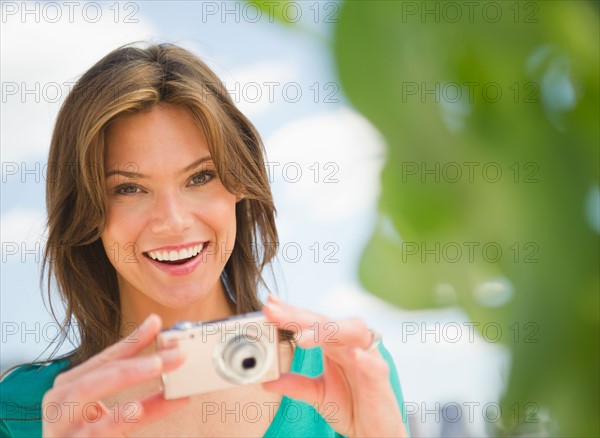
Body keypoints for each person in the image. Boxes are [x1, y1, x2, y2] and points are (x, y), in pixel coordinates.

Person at [0, 42, 410, 437]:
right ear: (87, 210)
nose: (173, 222)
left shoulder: (348, 371)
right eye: (128, 188)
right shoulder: (21, 411)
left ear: (240, 187)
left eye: (200, 177)